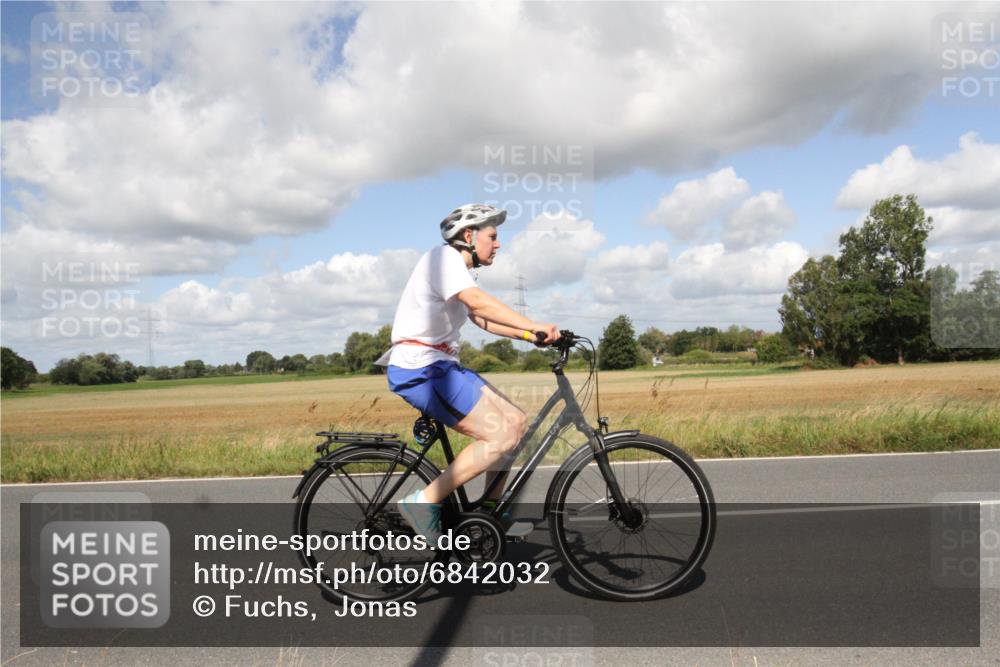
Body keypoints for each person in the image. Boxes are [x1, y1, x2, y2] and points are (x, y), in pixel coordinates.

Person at [378, 203, 560, 543]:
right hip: (421, 368)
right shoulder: (443, 260)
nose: (498, 244)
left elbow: (483, 319)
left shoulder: (459, 271)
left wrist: (529, 335)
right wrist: (533, 323)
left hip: (442, 366)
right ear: (468, 236)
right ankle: (423, 502)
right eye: (492, 236)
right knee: (499, 435)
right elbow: (478, 303)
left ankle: (491, 513)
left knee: (516, 422)